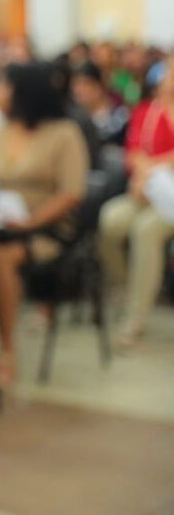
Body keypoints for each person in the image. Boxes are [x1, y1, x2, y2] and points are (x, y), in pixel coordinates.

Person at [0, 63, 89, 389]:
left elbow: (71, 193)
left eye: (3, 87)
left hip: (47, 228)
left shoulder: (63, 134)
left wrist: (29, 221)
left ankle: (7, 350)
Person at [98, 57, 174, 346]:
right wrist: (143, 175)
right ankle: (127, 288)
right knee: (111, 219)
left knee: (146, 231)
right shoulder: (146, 111)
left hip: (169, 201)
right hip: (148, 191)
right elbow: (133, 151)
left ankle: (135, 317)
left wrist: (154, 168)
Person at [71, 61, 130, 148]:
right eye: (76, 84)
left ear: (99, 86)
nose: (79, 90)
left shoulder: (121, 116)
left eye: (86, 84)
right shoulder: (72, 119)